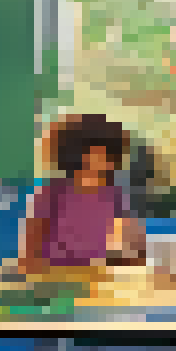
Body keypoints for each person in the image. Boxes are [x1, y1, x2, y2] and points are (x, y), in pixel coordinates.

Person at [22, 113, 146, 270]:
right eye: (94, 156)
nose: (101, 164)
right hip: (54, 276)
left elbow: (134, 247)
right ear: (76, 156)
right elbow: (30, 251)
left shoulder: (115, 195)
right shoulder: (52, 194)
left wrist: (127, 255)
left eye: (107, 157)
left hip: (98, 277)